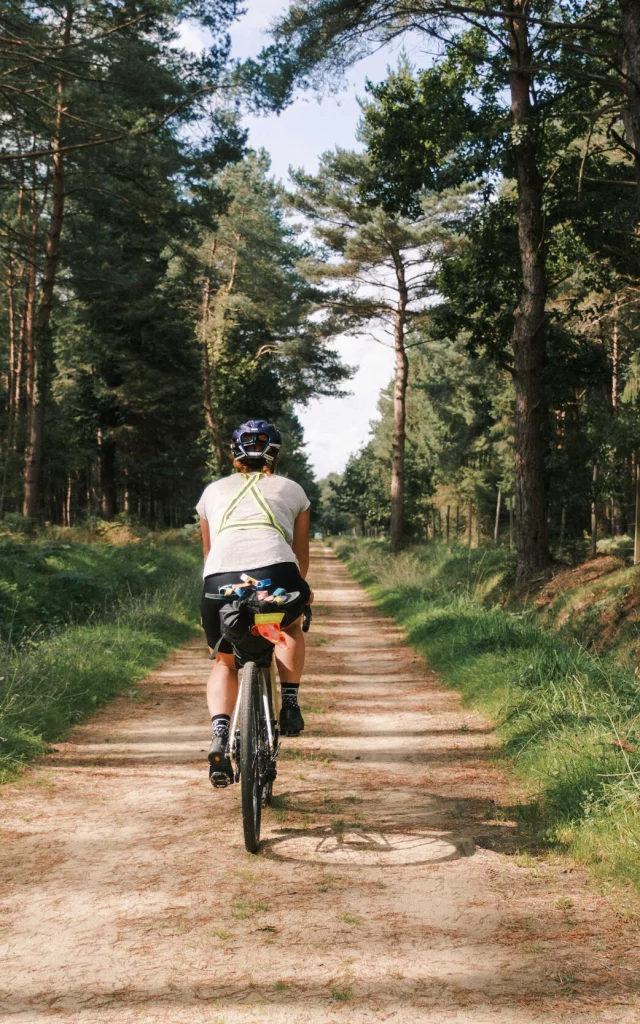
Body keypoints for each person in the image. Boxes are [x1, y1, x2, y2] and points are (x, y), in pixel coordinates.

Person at [196, 419, 312, 787]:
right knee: (289, 624)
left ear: (235, 455)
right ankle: (290, 702)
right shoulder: (292, 490)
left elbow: (209, 555)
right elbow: (300, 557)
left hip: (219, 583)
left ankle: (219, 731)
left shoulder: (211, 492)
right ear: (275, 454)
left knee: (224, 659)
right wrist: (303, 593)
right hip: (277, 576)